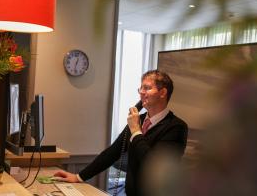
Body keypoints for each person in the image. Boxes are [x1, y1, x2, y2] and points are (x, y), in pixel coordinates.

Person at [54, 70, 188, 196]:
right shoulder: (138, 120)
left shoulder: (176, 127)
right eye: (140, 88)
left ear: (163, 92)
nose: (141, 92)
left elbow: (153, 164)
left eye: (147, 88)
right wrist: (78, 176)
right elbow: (112, 152)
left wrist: (136, 131)